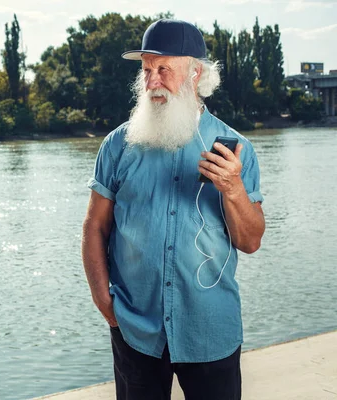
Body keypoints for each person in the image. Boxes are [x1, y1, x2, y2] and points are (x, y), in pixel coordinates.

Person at [81, 19, 265, 400]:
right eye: (147, 70)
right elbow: (94, 228)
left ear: (196, 73)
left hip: (210, 326)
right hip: (136, 328)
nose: (152, 81)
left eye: (164, 69)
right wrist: (104, 301)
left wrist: (231, 188)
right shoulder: (118, 145)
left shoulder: (236, 150)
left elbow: (250, 242)